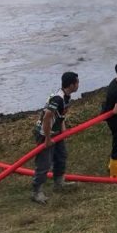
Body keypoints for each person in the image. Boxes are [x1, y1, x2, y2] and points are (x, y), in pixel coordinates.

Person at [31, 71, 80, 204]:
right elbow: (47, 117)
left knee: (61, 156)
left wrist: (63, 130)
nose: (78, 84)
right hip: (45, 134)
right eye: (77, 82)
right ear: (71, 85)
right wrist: (47, 138)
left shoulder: (66, 97)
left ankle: (59, 182)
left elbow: (60, 115)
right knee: (44, 163)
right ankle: (37, 192)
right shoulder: (57, 99)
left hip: (56, 133)